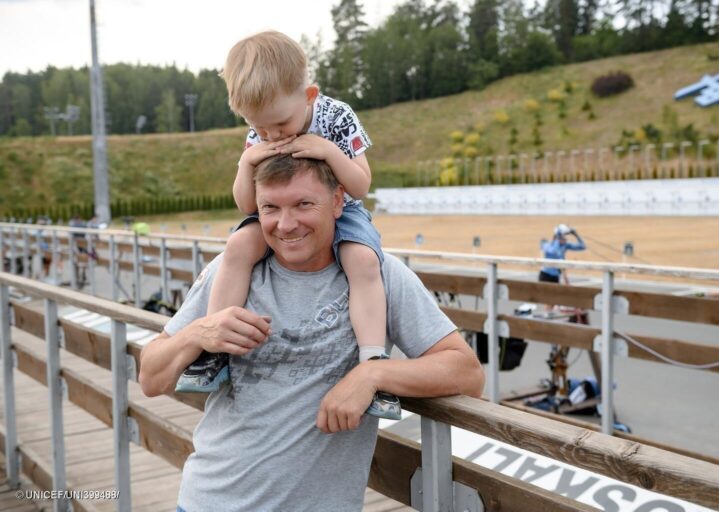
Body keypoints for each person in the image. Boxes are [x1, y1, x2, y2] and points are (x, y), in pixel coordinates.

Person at [138, 155, 485, 512]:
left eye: (303, 204)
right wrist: (197, 332)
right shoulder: (231, 271)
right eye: (269, 208)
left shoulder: (378, 274)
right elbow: (150, 377)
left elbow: (467, 373)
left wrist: (372, 373)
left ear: (337, 201)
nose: (285, 225)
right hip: (208, 502)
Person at [175, 31, 394, 419]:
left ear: (309, 96)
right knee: (239, 246)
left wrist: (327, 151)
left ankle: (373, 361)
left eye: (280, 123)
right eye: (260, 128)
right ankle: (214, 350)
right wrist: (247, 162)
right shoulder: (258, 133)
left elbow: (361, 184)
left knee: (362, 260)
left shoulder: (337, 116)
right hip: (278, 212)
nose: (273, 135)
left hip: (342, 209)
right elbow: (246, 204)